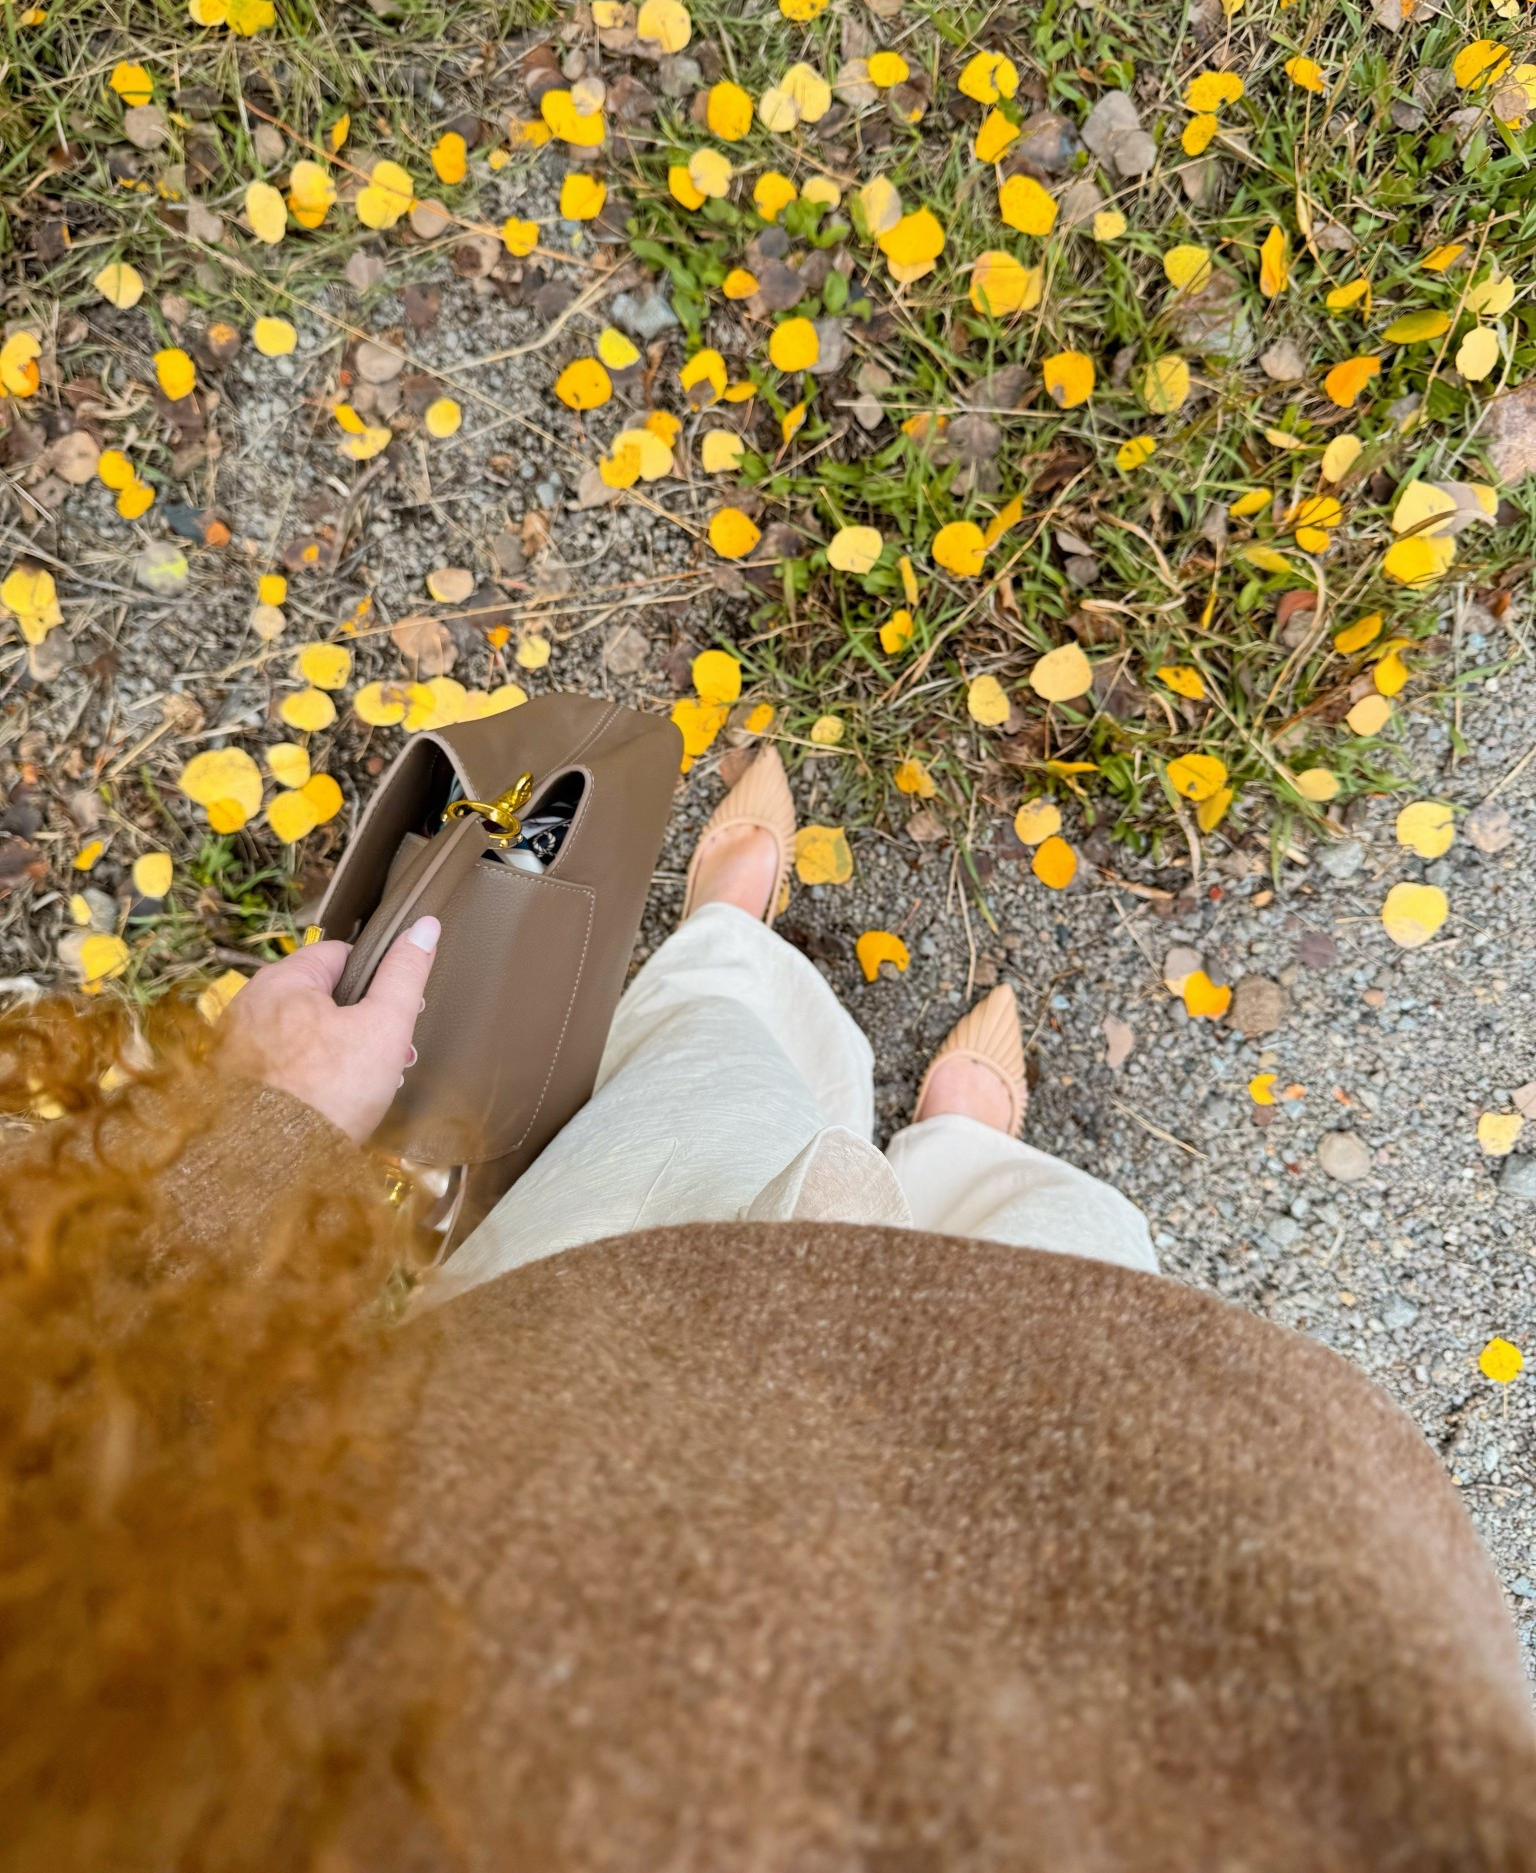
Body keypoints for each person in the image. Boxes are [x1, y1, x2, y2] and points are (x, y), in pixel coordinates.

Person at [3, 748, 1534, 1873]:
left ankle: (740, 968)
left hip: (559, 1432)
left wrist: (264, 1137)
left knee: (699, 1113)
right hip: (1174, 1596)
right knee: (1065, 1278)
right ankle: (957, 1148)